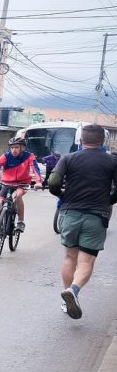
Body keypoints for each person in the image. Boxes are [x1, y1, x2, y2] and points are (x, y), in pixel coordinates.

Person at [46, 124, 117, 319]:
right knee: (86, 260)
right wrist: (108, 200)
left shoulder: (68, 158)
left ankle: (66, 295)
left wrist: (61, 194)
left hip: (69, 213)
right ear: (103, 142)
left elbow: (53, 182)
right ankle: (74, 291)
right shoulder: (112, 161)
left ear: (80, 141)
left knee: (70, 257)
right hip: (96, 216)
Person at [0, 136, 43, 232]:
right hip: (7, 183)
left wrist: (38, 182)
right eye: (12, 147)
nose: (14, 150)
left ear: (22, 148)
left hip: (22, 183)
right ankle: (0, 225)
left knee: (18, 196)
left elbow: (35, 169)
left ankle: (20, 221)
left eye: (16, 147)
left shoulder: (29, 156)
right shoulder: (6, 156)